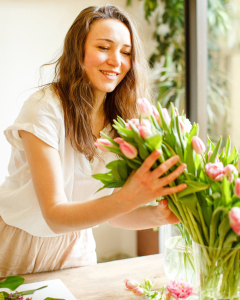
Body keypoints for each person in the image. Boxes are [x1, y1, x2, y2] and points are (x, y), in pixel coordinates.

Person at [0, 5, 187, 277]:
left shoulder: (123, 121)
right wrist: (129, 196)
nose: (116, 61)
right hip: (19, 247)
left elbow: (112, 212)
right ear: (79, 52)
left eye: (126, 53)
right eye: (104, 47)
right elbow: (54, 214)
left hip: (77, 248)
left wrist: (157, 216)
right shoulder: (44, 109)